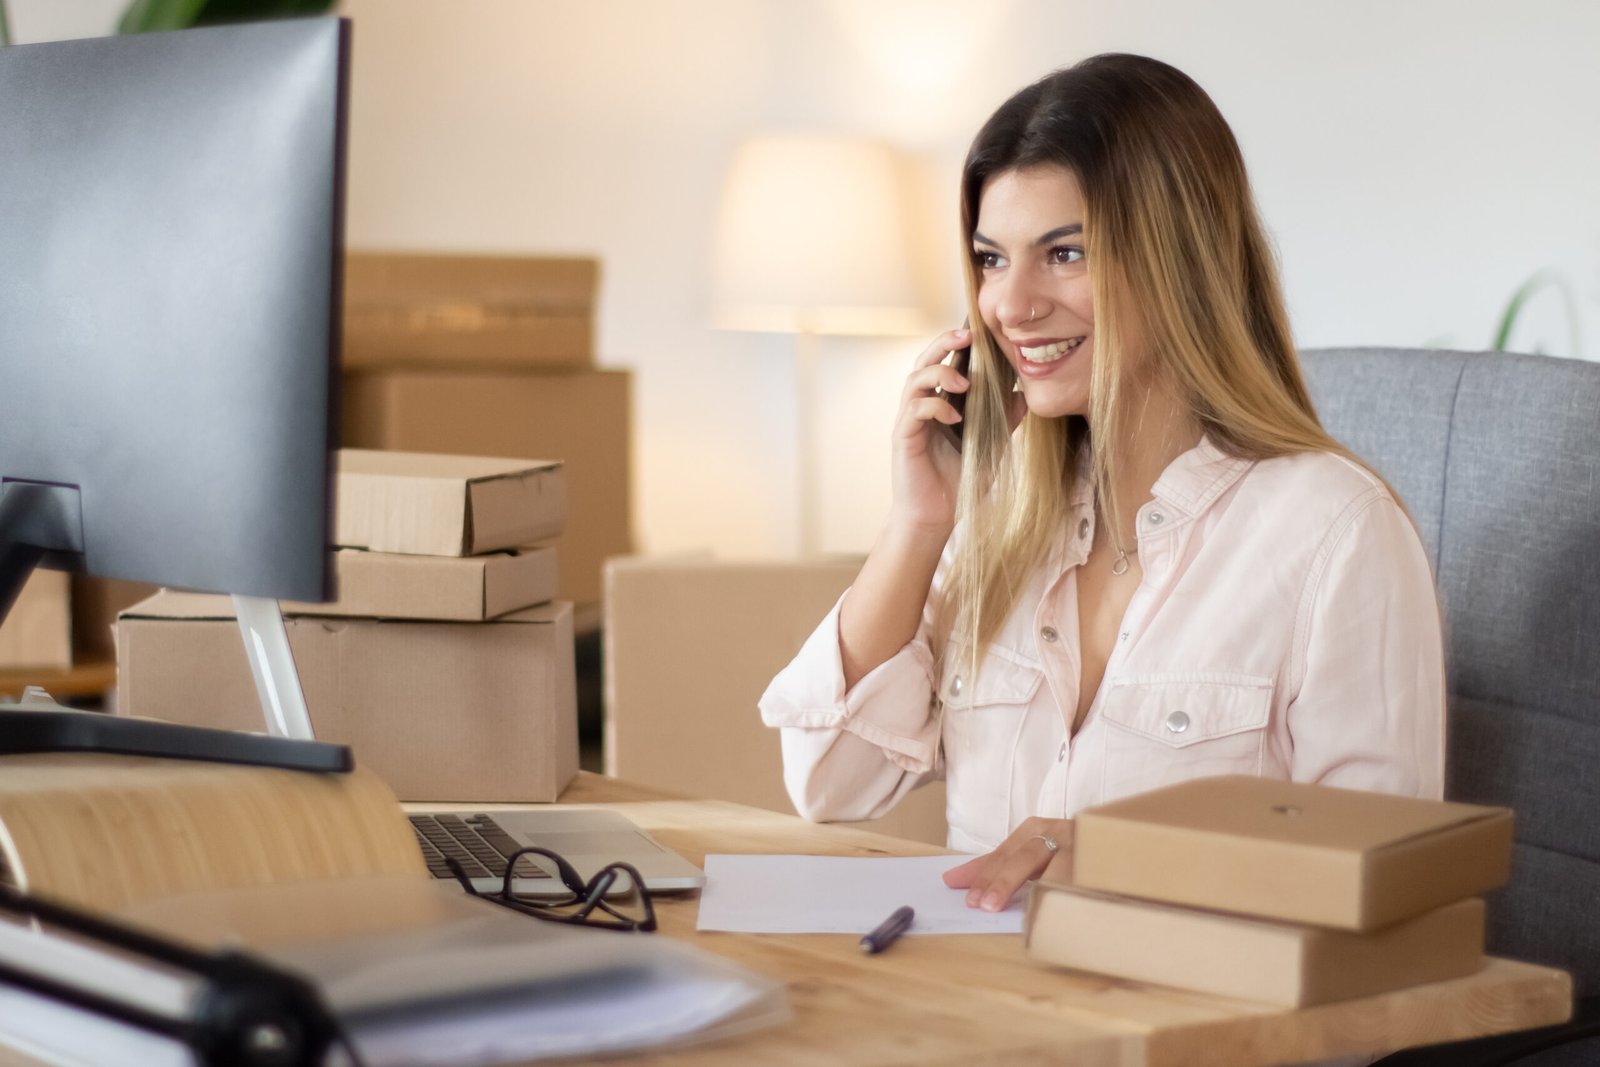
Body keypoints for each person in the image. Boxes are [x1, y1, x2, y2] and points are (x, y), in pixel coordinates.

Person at [758, 53, 1445, 914]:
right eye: (991, 259)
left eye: (1065, 252)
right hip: (993, 1022)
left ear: (1180, 259)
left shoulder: (1338, 533)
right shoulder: (1001, 526)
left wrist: (1130, 858)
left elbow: (1383, 885)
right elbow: (828, 786)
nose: (1010, 305)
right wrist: (917, 521)